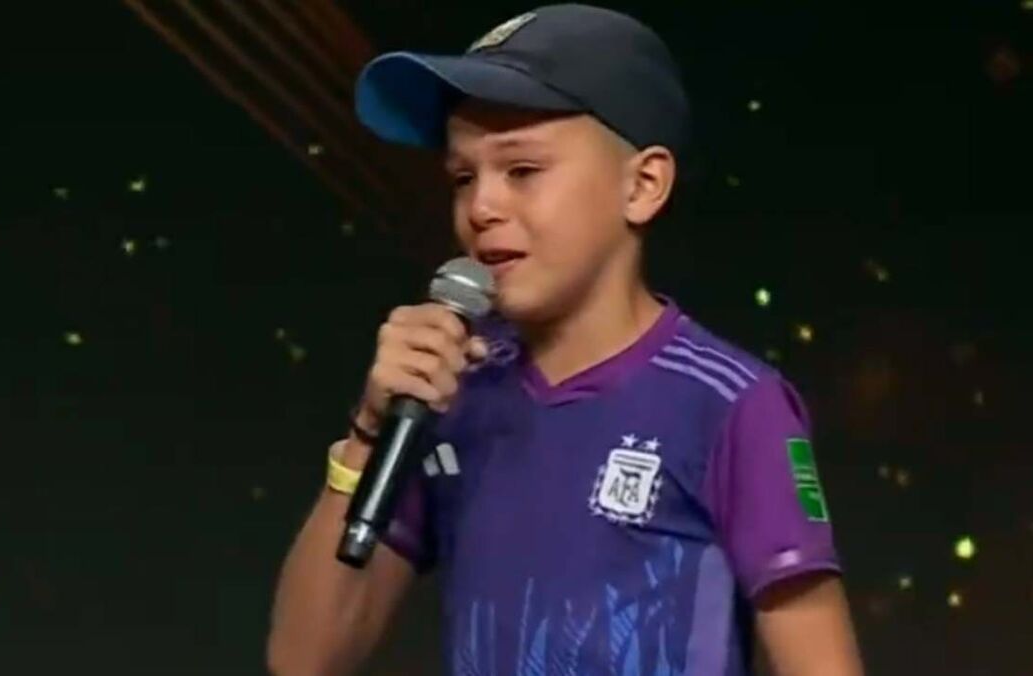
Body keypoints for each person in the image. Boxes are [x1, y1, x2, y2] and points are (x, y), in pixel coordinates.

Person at [267, 4, 863, 675]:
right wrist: (369, 435)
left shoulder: (730, 404)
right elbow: (302, 659)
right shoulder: (450, 391)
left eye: (522, 170)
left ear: (643, 185)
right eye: (463, 177)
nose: (481, 207)